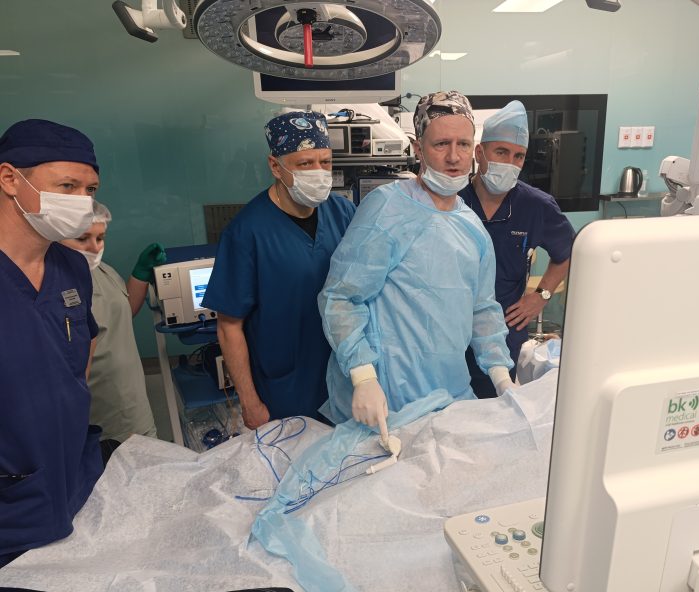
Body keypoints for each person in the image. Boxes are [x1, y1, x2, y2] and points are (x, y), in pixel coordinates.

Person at [318, 91, 515, 442]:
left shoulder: (472, 228)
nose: (454, 156)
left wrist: (502, 379)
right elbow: (341, 297)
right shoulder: (387, 209)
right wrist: (363, 377)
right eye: (441, 144)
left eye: (462, 144)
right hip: (386, 400)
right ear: (418, 148)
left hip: (450, 395)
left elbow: (482, 309)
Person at [0, 119, 104, 592]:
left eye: (90, 190)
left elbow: (78, 359)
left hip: (72, 479)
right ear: (9, 179)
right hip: (11, 506)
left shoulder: (71, 268)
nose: (81, 201)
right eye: (67, 186)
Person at [202, 111, 355, 430]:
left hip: (345, 376)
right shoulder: (247, 232)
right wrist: (249, 402)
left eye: (325, 162)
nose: (318, 172)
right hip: (285, 388)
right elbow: (229, 326)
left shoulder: (343, 213)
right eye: (305, 163)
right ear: (275, 166)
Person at [460, 101, 575, 397]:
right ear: (479, 153)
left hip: (503, 332)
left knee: (493, 409)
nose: (510, 163)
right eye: (501, 152)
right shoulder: (454, 200)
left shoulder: (536, 206)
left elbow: (569, 252)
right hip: (450, 332)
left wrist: (541, 296)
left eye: (518, 156)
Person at [60, 201, 164, 447]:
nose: (94, 248)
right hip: (97, 415)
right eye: (82, 238)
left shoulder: (102, 270)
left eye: (100, 238)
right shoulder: (55, 283)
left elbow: (121, 315)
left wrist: (140, 274)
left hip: (132, 406)